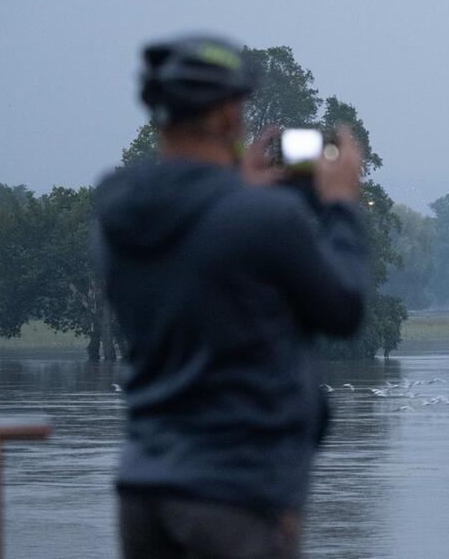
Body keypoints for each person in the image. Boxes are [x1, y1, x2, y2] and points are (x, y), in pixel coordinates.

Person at [95, 34, 369, 558]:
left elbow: (202, 258)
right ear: (225, 115)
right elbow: (343, 307)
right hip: (238, 492)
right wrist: (340, 207)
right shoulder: (266, 219)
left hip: (144, 487)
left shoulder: (119, 215)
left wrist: (230, 191)